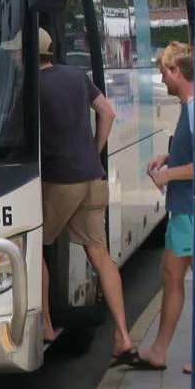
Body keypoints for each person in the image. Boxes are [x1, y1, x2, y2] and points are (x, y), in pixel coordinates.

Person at [35, 27, 135, 364]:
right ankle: (123, 335)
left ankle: (47, 326)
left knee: (35, 248)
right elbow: (107, 112)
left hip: (60, 181)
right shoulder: (77, 76)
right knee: (100, 255)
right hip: (93, 176)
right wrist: (94, 150)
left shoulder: (29, 86)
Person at [132, 41, 195, 373]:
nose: (161, 81)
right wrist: (169, 157)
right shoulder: (189, 106)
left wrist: (169, 173)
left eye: (162, 73)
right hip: (186, 209)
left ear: (176, 70)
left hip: (193, 210)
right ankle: (159, 350)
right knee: (171, 276)